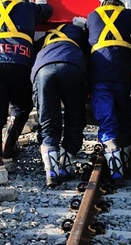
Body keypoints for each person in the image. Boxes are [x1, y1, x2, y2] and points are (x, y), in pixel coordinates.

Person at [0, 0, 52, 168]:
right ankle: (8, 148)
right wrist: (41, 3)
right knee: (22, 105)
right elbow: (47, 12)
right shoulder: (27, 8)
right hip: (19, 61)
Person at [85, 0, 131, 181]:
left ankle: (116, 169)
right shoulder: (129, 16)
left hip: (100, 75)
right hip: (124, 75)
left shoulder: (92, 16)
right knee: (124, 118)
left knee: (106, 119)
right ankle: (123, 163)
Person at [31, 21, 90, 187]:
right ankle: (66, 163)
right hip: (72, 67)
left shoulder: (45, 37)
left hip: (43, 71)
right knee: (75, 116)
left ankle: (51, 170)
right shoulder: (80, 33)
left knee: (48, 121)